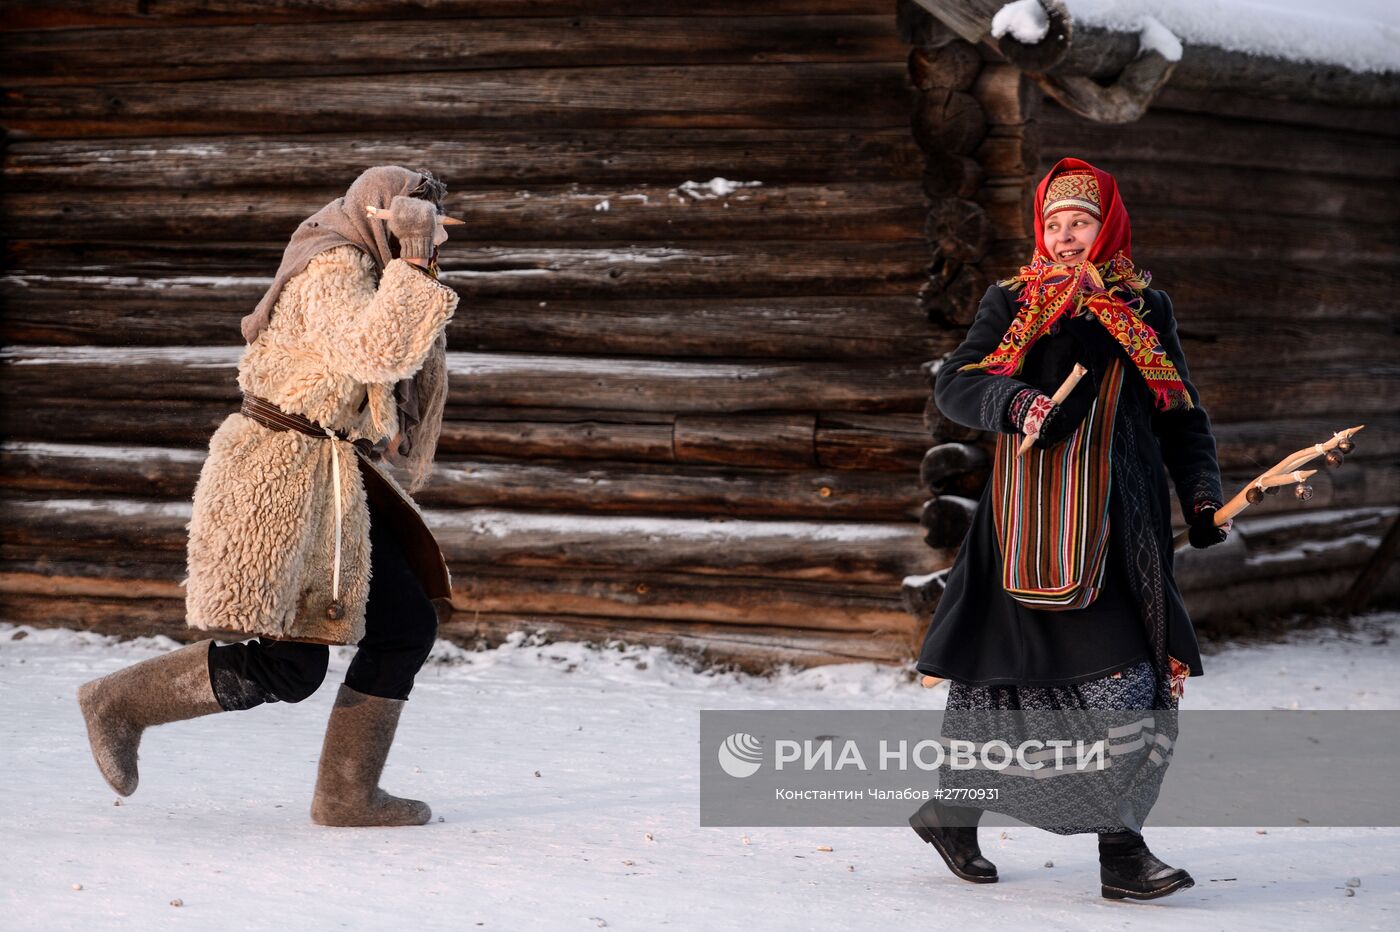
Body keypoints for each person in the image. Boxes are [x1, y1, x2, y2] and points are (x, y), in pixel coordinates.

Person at [77, 165, 461, 827]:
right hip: (279, 475)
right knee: (292, 666)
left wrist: (386, 425)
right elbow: (375, 351)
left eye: (431, 227)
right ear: (383, 218)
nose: (430, 238)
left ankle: (346, 796)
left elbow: (367, 372)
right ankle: (120, 703)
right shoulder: (334, 267)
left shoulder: (368, 269)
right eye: (415, 222)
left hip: (330, 474)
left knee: (405, 626)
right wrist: (418, 262)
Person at [909, 158, 1230, 899]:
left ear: (1107, 226)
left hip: (1123, 530)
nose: (1065, 237)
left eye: (1079, 222)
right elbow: (958, 382)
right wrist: (1019, 405)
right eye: (1053, 224)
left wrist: (1203, 498)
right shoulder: (1013, 301)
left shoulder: (1146, 310)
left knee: (1129, 688)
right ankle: (955, 815)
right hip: (1029, 524)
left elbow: (1182, 417)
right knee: (998, 683)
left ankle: (1121, 852)